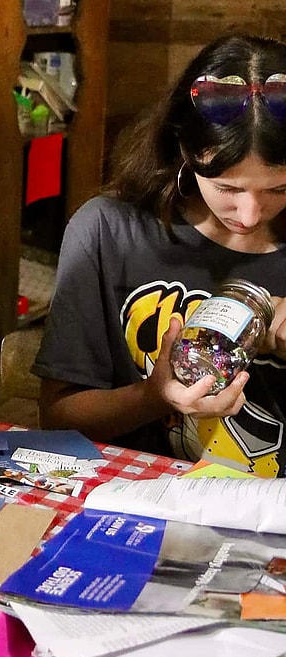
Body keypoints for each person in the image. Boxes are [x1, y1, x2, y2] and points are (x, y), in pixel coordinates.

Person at [34, 33, 286, 475]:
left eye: (280, 189)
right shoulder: (108, 233)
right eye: (227, 187)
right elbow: (58, 417)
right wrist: (155, 396)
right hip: (142, 496)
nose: (248, 215)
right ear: (184, 149)